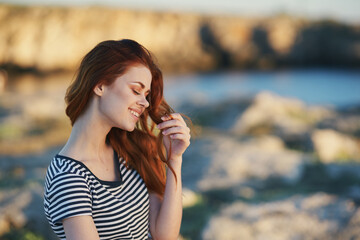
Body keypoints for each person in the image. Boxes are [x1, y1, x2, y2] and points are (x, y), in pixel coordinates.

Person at [43, 39, 191, 240]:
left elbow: (164, 235)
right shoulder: (68, 177)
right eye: (136, 90)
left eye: (146, 95)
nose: (145, 103)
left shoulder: (130, 150)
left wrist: (175, 159)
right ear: (100, 85)